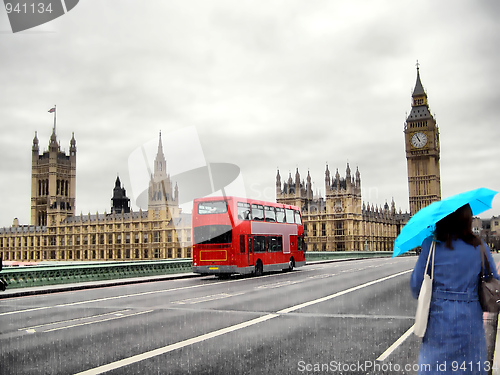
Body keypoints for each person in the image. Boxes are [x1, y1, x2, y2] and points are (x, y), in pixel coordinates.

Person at [410, 204, 499, 374]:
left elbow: (416, 287)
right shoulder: (480, 246)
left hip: (439, 324)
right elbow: (493, 281)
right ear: (467, 220)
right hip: (470, 322)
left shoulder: (431, 245)